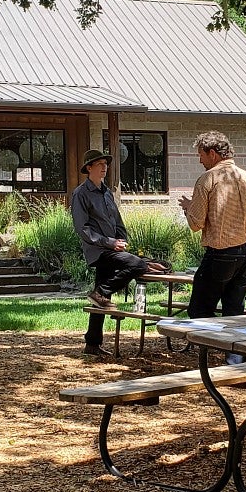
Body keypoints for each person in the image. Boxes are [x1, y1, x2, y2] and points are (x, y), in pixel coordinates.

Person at [178, 132, 246, 364]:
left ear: (212, 153)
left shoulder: (208, 179)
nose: (200, 160)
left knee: (199, 309)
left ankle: (206, 358)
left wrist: (189, 208)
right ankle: (236, 359)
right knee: (235, 310)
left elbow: (196, 223)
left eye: (201, 155)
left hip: (222, 251)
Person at [70, 149, 148, 357]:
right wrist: (109, 242)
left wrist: (123, 240)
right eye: (99, 164)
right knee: (138, 265)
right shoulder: (80, 194)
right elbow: (82, 228)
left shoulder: (107, 192)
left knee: (101, 300)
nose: (104, 167)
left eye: (106, 163)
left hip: (113, 247)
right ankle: (100, 292)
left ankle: (92, 344)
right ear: (89, 168)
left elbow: (117, 221)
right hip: (99, 250)